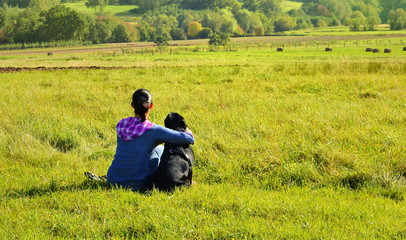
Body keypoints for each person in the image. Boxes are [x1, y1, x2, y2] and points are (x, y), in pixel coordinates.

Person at [106, 89, 194, 192]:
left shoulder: (122, 124)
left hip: (112, 179)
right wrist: (186, 128)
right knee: (160, 149)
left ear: (132, 105)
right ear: (151, 105)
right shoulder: (153, 130)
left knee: (146, 150)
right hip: (136, 184)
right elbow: (189, 138)